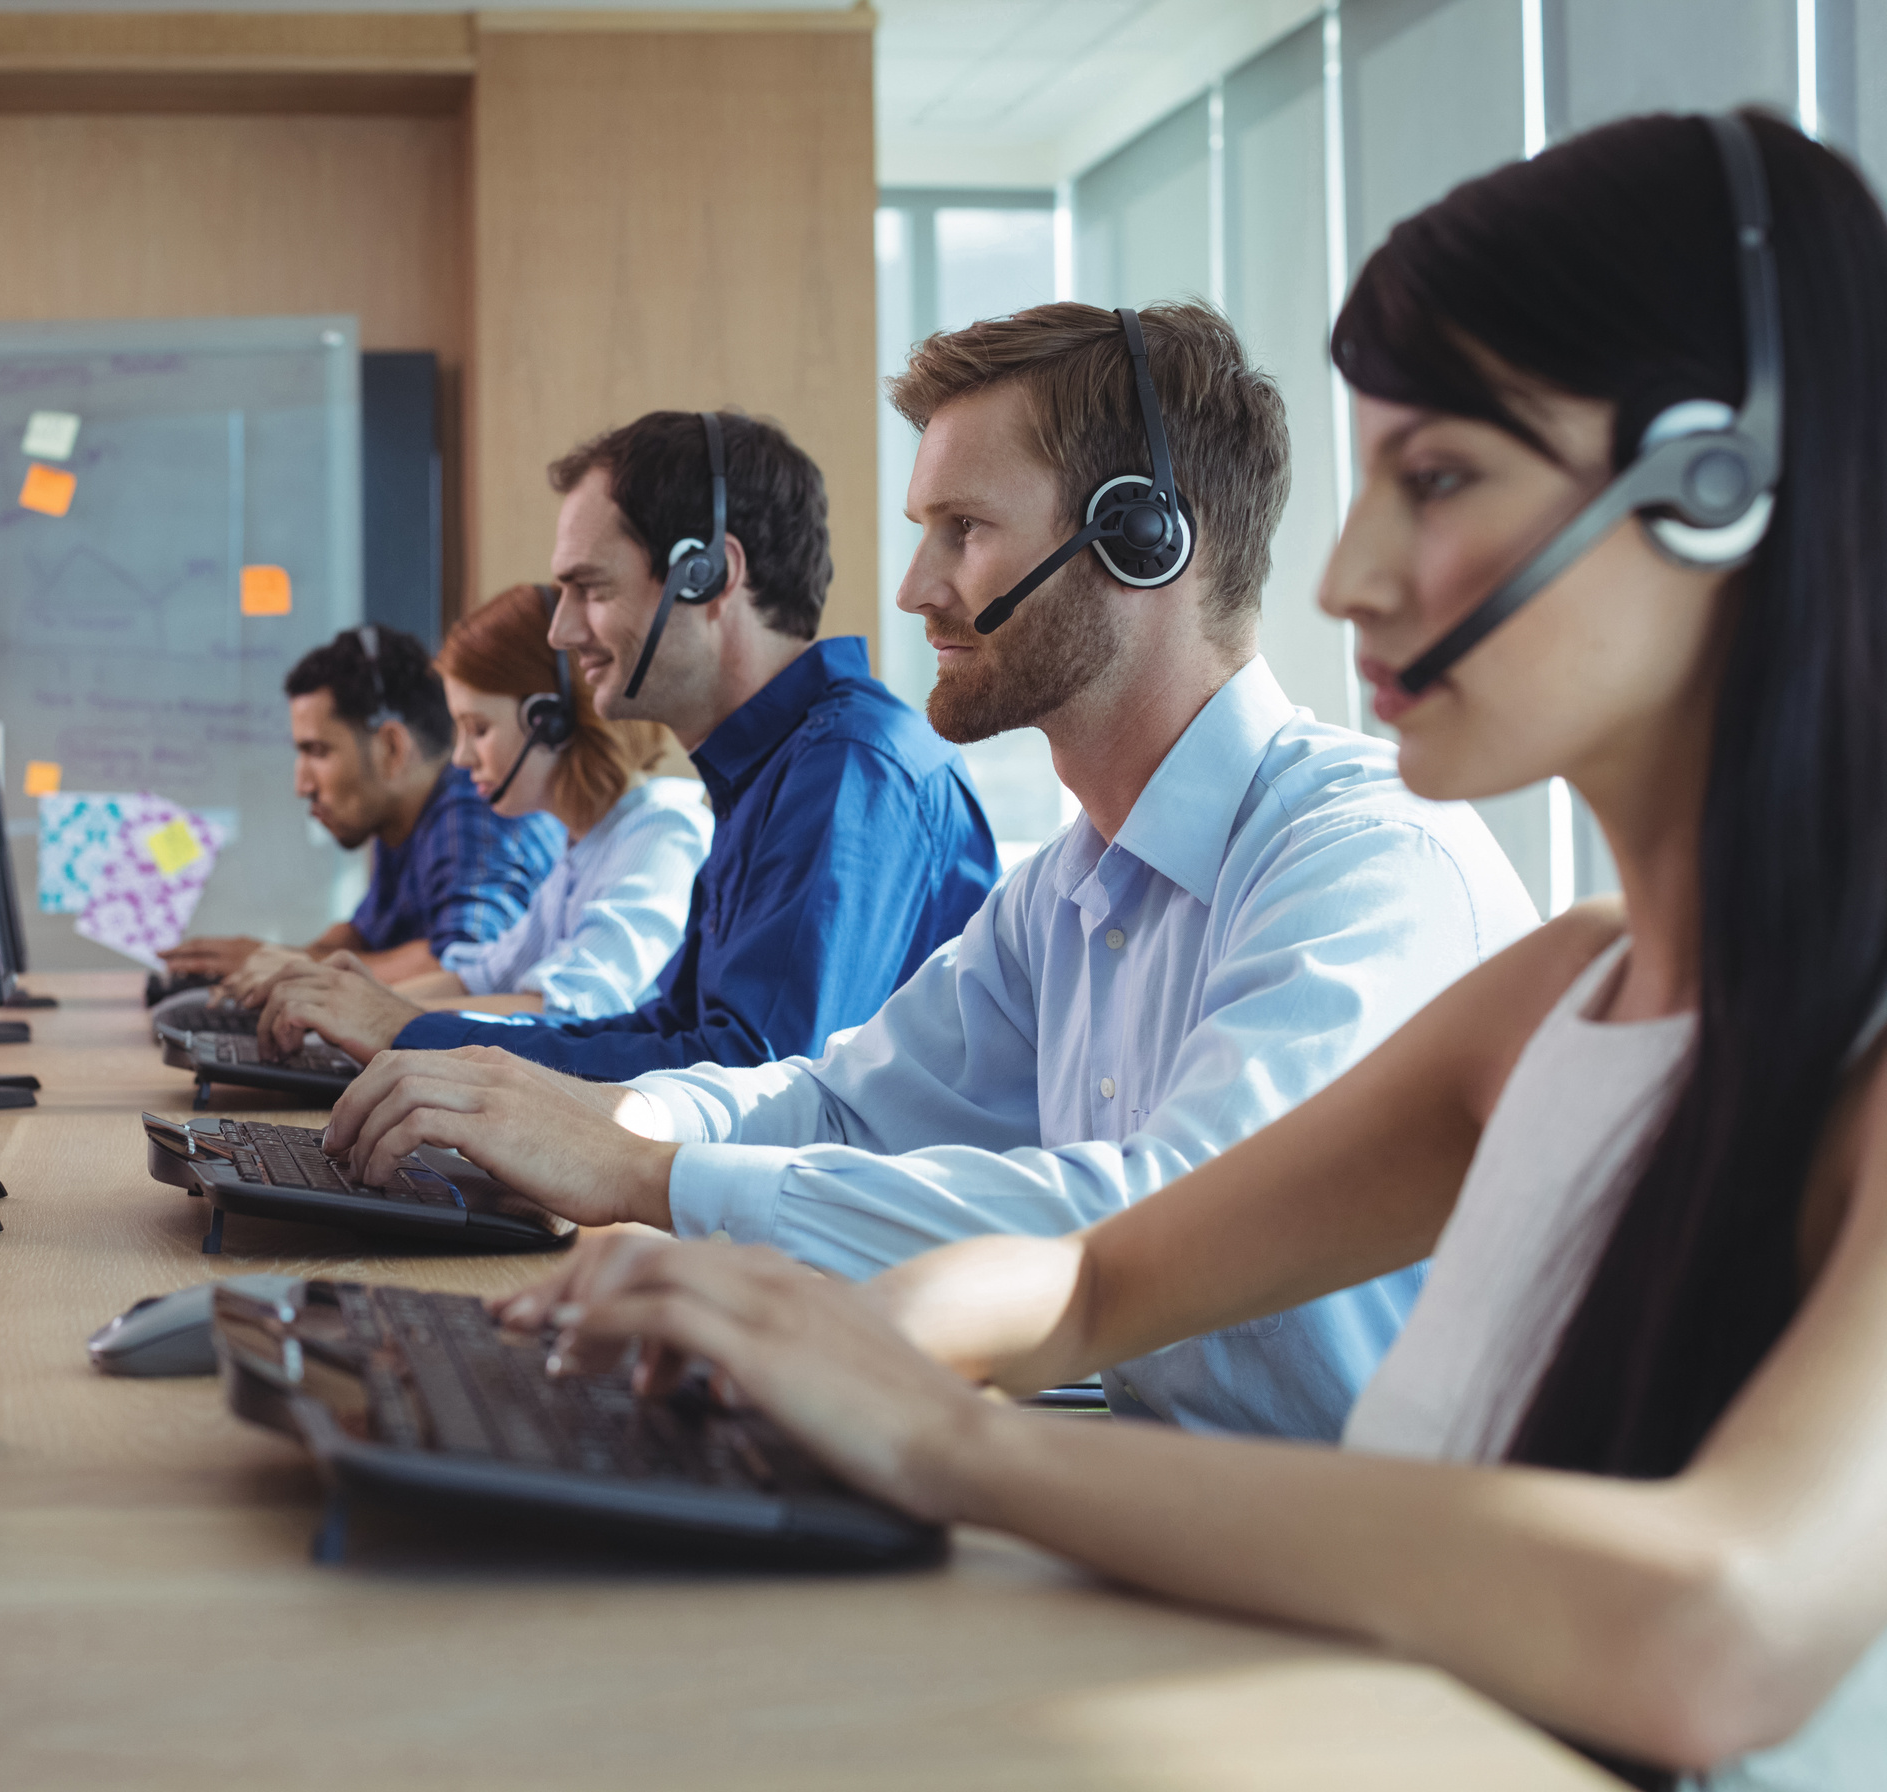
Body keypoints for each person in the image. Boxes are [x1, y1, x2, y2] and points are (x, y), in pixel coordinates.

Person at [483, 113, 1887, 1787]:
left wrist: (939, 1440)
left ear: (1717, 493)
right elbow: (1102, 1273)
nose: (1352, 576)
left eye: (1435, 479)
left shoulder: (1811, 1044)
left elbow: (1711, 1629)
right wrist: (771, 1339)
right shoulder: (1556, 999)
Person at [326, 301, 1535, 1439]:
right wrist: (597, 1118)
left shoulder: (1369, 861)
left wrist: (650, 1172)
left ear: (1142, 537)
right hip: (1155, 1499)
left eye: (964, 531)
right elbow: (844, 1102)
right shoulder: (1068, 888)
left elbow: (1162, 1223)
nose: (912, 591)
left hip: (1353, 1587)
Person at [372, 411, 1000, 1077]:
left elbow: (748, 1079)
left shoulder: (850, 768)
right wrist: (419, 1034)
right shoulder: (767, 771)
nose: (559, 631)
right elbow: (670, 1030)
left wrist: (413, 1036)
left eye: (590, 589)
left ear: (708, 575)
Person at [254, 583, 712, 1059]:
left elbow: (568, 1009)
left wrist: (385, 1017)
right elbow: (478, 976)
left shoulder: (661, 833)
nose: (461, 756)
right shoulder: (586, 848)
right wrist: (344, 999)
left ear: (550, 721)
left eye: (479, 729)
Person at [162, 625, 559, 999]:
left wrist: (291, 966)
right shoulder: (400, 817)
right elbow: (364, 936)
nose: (302, 785)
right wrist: (273, 959)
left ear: (391, 749)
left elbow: (459, 973)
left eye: (318, 752)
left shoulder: (473, 819)